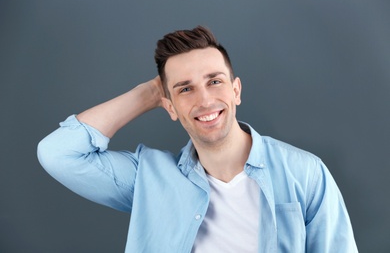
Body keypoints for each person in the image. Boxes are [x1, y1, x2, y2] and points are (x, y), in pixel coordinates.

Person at [37, 26, 358, 252]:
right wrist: (149, 92)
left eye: (214, 81)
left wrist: (174, 88)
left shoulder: (304, 172)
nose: (204, 101)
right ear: (170, 106)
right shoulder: (148, 179)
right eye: (185, 88)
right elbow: (58, 154)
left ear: (236, 91)